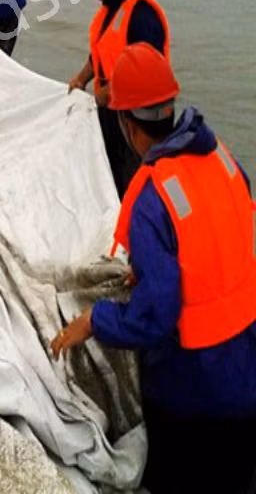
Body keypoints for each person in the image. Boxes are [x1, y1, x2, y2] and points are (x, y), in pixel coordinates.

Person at [51, 43, 256, 494]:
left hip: (193, 391)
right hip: (247, 370)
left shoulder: (152, 198)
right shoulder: (221, 157)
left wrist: (95, 319)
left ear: (127, 124)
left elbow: (155, 316)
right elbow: (222, 234)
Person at [68, 0, 169, 198]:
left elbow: (149, 75)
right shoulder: (110, 12)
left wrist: (106, 94)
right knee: (110, 182)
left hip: (139, 126)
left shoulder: (141, 16)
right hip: (113, 115)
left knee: (134, 189)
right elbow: (100, 55)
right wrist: (81, 79)